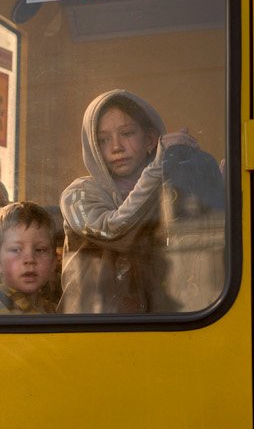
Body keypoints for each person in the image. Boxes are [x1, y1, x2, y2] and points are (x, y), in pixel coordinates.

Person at [59, 90, 202, 313]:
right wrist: (156, 170)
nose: (116, 147)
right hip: (89, 332)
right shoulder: (78, 194)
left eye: (126, 133)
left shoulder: (170, 192)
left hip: (159, 327)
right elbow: (113, 230)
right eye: (103, 139)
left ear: (150, 139)